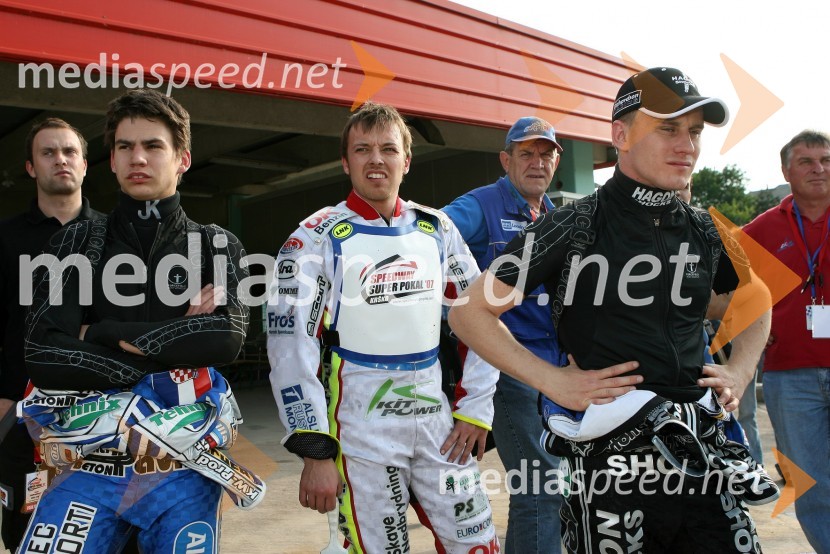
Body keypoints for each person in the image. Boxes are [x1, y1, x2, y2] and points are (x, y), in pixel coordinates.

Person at [450, 67, 773, 552]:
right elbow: (468, 312)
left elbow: (756, 298)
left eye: (694, 131)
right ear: (621, 135)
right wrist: (553, 381)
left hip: (701, 459)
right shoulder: (570, 225)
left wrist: (741, 371)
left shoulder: (706, 229)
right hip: (610, 470)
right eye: (668, 128)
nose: (687, 145)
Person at [18, 89, 251, 553]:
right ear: (112, 160)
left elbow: (226, 338)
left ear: (183, 159)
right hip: (90, 463)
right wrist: (175, 352)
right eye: (125, 146)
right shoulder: (74, 243)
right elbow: (44, 354)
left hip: (181, 464)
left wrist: (99, 333)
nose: (137, 158)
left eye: (153, 146)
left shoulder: (217, 245)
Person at [267, 102, 500, 553]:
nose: (376, 159)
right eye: (363, 149)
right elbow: (290, 346)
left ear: (406, 161)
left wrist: (476, 409)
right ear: (345, 161)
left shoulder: (437, 228)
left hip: (439, 425)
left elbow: (480, 317)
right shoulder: (313, 238)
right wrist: (315, 448)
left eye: (388, 149)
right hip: (361, 428)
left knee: (478, 543)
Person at [442, 116, 566, 553]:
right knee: (541, 485)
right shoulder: (480, 206)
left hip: (557, 372)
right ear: (506, 160)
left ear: (556, 163)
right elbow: (428, 237)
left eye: (546, 154)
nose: (537, 162)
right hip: (506, 370)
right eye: (526, 153)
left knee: (558, 486)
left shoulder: (557, 218)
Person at [0, 118, 103, 552]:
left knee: (101, 528)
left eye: (69, 151)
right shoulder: (5, 238)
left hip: (104, 413)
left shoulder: (114, 237)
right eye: (48, 153)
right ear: (30, 167)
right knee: (27, 530)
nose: (60, 160)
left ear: (85, 164)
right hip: (21, 414)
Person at [743, 129, 830, 551]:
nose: (819, 169)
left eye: (826, 160)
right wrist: (753, 326)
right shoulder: (762, 229)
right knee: (810, 485)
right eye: (806, 162)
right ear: (786, 171)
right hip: (789, 377)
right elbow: (727, 287)